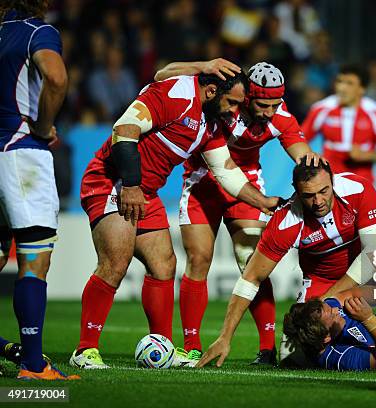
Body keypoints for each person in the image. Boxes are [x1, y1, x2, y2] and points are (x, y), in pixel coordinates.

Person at [69, 60, 280, 369]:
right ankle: (84, 350)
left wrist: (263, 201)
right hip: (113, 182)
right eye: (232, 102)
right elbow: (124, 130)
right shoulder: (176, 94)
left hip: (145, 193)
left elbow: (226, 171)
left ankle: (163, 348)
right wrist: (130, 185)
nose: (236, 111)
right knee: (115, 261)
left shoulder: (210, 124)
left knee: (164, 265)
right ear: (211, 91)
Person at [153, 61, 321, 366]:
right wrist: (201, 66)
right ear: (247, 96)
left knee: (251, 259)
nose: (269, 111)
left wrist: (316, 174)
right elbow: (161, 76)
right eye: (262, 104)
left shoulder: (280, 117)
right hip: (202, 181)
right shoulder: (225, 99)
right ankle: (192, 346)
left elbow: (303, 155)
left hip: (248, 186)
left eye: (275, 104)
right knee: (199, 258)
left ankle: (267, 350)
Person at [196, 158, 376, 368]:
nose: (318, 201)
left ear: (333, 181)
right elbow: (251, 278)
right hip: (322, 281)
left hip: (362, 278)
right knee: (293, 358)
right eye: (308, 195)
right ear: (296, 191)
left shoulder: (358, 189)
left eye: (324, 191)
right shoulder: (286, 221)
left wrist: (329, 299)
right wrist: (225, 337)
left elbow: (374, 253)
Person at [0, 1, 78, 380]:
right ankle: (33, 365)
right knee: (34, 260)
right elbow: (57, 78)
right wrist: (45, 126)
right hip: (19, 153)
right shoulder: (36, 32)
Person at [302, 65, 376, 184]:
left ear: (362, 88)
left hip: (362, 184)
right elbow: (299, 140)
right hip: (330, 183)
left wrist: (367, 155)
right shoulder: (322, 109)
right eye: (339, 81)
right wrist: (312, 158)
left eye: (349, 83)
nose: (342, 88)